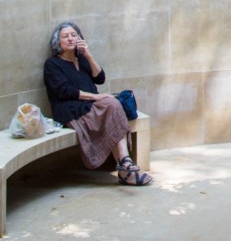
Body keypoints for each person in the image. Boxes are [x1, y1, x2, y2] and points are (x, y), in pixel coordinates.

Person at [43, 20, 152, 186]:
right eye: (65, 36)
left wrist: (88, 54)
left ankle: (124, 165)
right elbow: (64, 91)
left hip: (93, 107)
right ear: (58, 41)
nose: (71, 39)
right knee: (112, 105)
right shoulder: (52, 64)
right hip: (71, 110)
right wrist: (96, 97)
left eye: (74, 35)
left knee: (113, 107)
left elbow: (100, 78)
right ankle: (125, 165)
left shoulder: (83, 59)